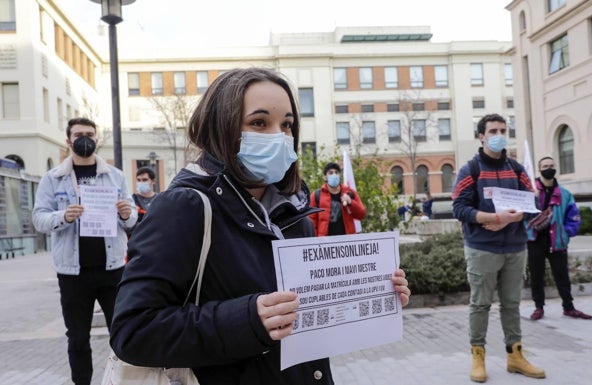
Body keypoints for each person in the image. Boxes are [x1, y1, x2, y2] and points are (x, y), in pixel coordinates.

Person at [109, 68, 411, 384]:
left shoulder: (293, 214)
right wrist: (248, 319)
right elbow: (132, 331)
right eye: (259, 123)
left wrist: (374, 296)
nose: (278, 136)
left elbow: (309, 319)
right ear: (221, 127)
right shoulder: (185, 207)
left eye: (287, 125)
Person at [32, 117, 137, 385]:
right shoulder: (53, 179)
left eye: (90, 133)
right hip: (72, 272)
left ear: (97, 139)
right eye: (78, 134)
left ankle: (123, 380)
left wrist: (127, 213)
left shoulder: (115, 176)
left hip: (112, 269)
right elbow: (39, 219)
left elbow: (131, 218)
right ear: (68, 140)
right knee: (78, 337)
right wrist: (64, 216)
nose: (85, 138)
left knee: (122, 332)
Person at [451, 113, 545, 382]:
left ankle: (515, 356)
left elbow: (531, 203)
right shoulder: (471, 170)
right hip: (482, 248)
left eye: (503, 129)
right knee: (480, 305)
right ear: (481, 136)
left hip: (515, 247)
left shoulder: (516, 169)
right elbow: (459, 207)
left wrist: (513, 218)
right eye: (493, 130)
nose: (499, 134)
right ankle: (478, 356)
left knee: (512, 304)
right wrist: (491, 219)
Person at [526, 156, 591, 321]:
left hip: (557, 241)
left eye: (551, 165)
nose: (549, 168)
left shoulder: (564, 194)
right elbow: (522, 215)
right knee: (536, 276)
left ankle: (568, 307)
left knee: (562, 276)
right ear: (539, 169)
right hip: (535, 241)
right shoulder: (530, 192)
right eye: (545, 166)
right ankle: (538, 308)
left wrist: (567, 232)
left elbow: (573, 215)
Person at [309, 162, 366, 236]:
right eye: (330, 173)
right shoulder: (316, 195)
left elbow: (362, 214)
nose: (334, 175)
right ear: (325, 177)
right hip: (325, 242)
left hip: (347, 240)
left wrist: (351, 202)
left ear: (339, 175)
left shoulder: (349, 193)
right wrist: (315, 241)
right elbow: (311, 221)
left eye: (336, 172)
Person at [125, 166, 158, 237]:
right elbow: (128, 226)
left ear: (153, 181)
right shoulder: (131, 201)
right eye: (138, 180)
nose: (141, 182)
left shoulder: (160, 200)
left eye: (144, 180)